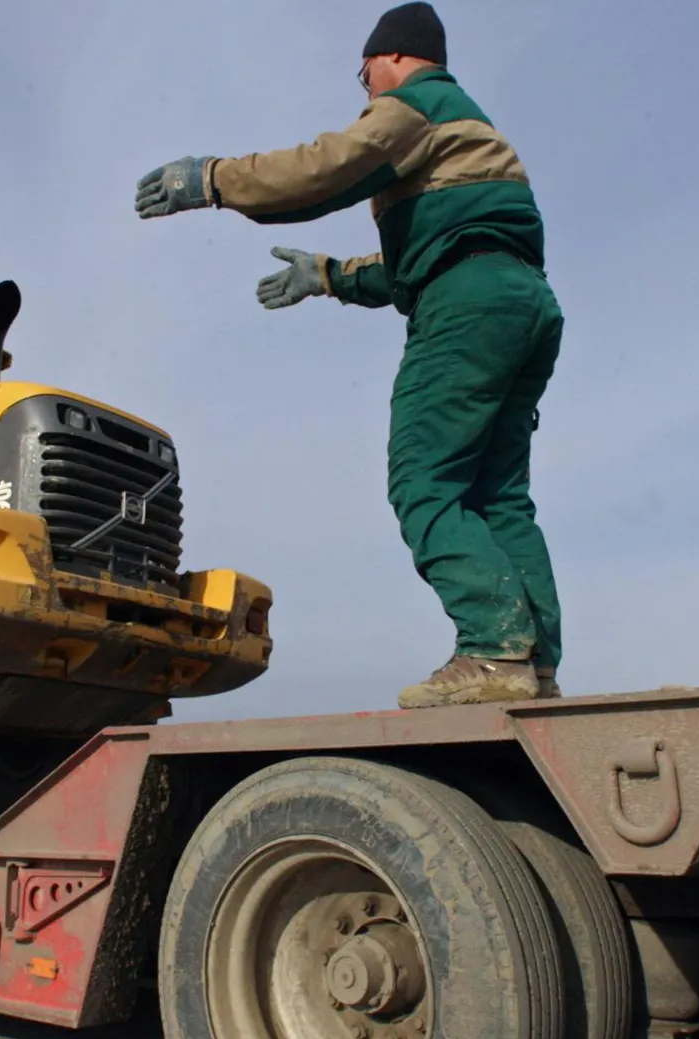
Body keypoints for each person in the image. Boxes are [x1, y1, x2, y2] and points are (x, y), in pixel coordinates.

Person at [135, 1, 565, 708]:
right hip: (521, 301)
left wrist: (213, 179)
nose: (361, 84)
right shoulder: (472, 130)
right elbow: (420, 261)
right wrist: (330, 277)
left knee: (425, 484)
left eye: (362, 69)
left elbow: (324, 168)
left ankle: (491, 652)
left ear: (391, 55)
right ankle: (532, 665)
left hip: (464, 306)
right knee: (498, 498)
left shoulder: (415, 105)